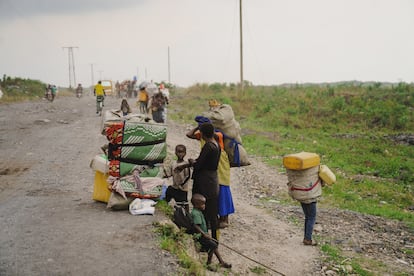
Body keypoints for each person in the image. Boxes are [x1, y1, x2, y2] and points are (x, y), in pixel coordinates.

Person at [187, 116, 235, 229]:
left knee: (223, 188)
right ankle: (214, 223)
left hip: (216, 169)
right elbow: (189, 135)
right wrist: (198, 127)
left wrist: (193, 163)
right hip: (212, 173)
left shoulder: (215, 139)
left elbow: (199, 164)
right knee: (213, 199)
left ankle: (223, 219)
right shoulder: (212, 141)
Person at [176, 123, 221, 240]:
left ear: (202, 134)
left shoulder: (208, 146)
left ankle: (204, 239)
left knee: (201, 210)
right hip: (213, 181)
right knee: (212, 212)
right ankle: (214, 240)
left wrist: (191, 162)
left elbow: (199, 164)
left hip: (204, 182)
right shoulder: (216, 144)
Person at [191, 193, 231, 271]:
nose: (204, 206)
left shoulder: (198, 212)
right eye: (202, 204)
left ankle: (221, 262)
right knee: (213, 246)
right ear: (196, 205)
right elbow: (196, 226)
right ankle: (208, 263)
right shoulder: (196, 214)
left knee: (214, 244)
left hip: (203, 235)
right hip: (201, 237)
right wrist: (204, 234)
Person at [163, 144, 191, 211]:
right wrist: (164, 172)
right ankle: (165, 207)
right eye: (179, 152)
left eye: (182, 152)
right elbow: (169, 174)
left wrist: (182, 185)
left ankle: (187, 215)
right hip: (174, 186)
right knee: (168, 191)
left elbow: (187, 176)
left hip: (182, 189)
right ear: (175, 153)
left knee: (184, 203)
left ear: (185, 153)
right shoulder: (173, 163)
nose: (180, 154)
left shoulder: (186, 165)